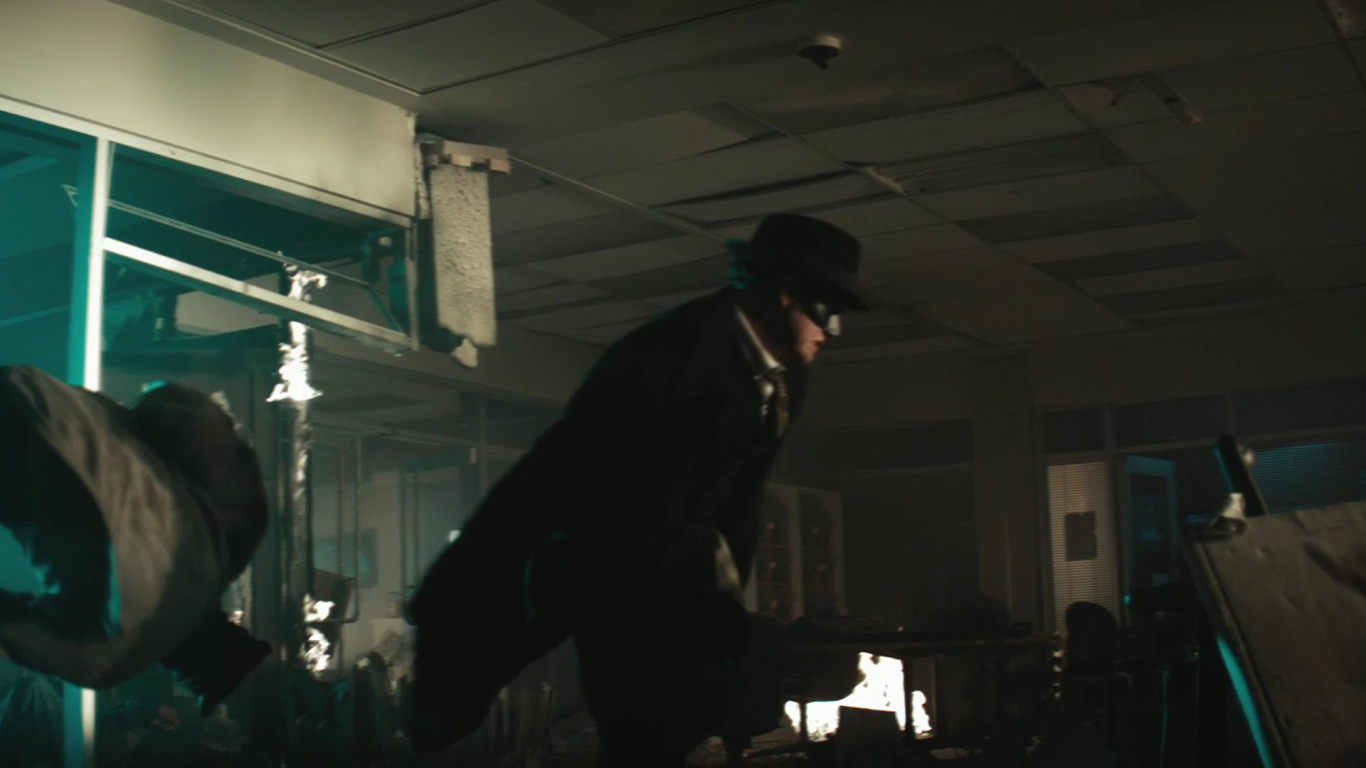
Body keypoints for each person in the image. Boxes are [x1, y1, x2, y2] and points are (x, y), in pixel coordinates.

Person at [407, 212, 869, 765]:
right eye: (825, 311)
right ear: (784, 295)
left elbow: (738, 494)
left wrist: (721, 599)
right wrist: (472, 586)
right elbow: (559, 476)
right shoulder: (667, 354)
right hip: (601, 562)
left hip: (678, 576)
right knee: (631, 726)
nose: (831, 331)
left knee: (682, 716)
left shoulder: (788, 377)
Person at [0, 368, 271, 715]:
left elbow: (184, 411)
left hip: (37, 394)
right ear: (190, 673)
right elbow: (15, 630)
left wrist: (124, 427)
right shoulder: (113, 658)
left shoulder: (232, 537)